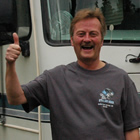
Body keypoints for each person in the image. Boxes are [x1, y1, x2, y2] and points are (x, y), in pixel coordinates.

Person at [5, 8, 140, 140]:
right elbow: (15, 98)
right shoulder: (54, 78)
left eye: (93, 34)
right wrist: (10, 65)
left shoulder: (121, 79)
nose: (87, 39)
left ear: (102, 40)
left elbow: (132, 131)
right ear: (72, 40)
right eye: (81, 34)